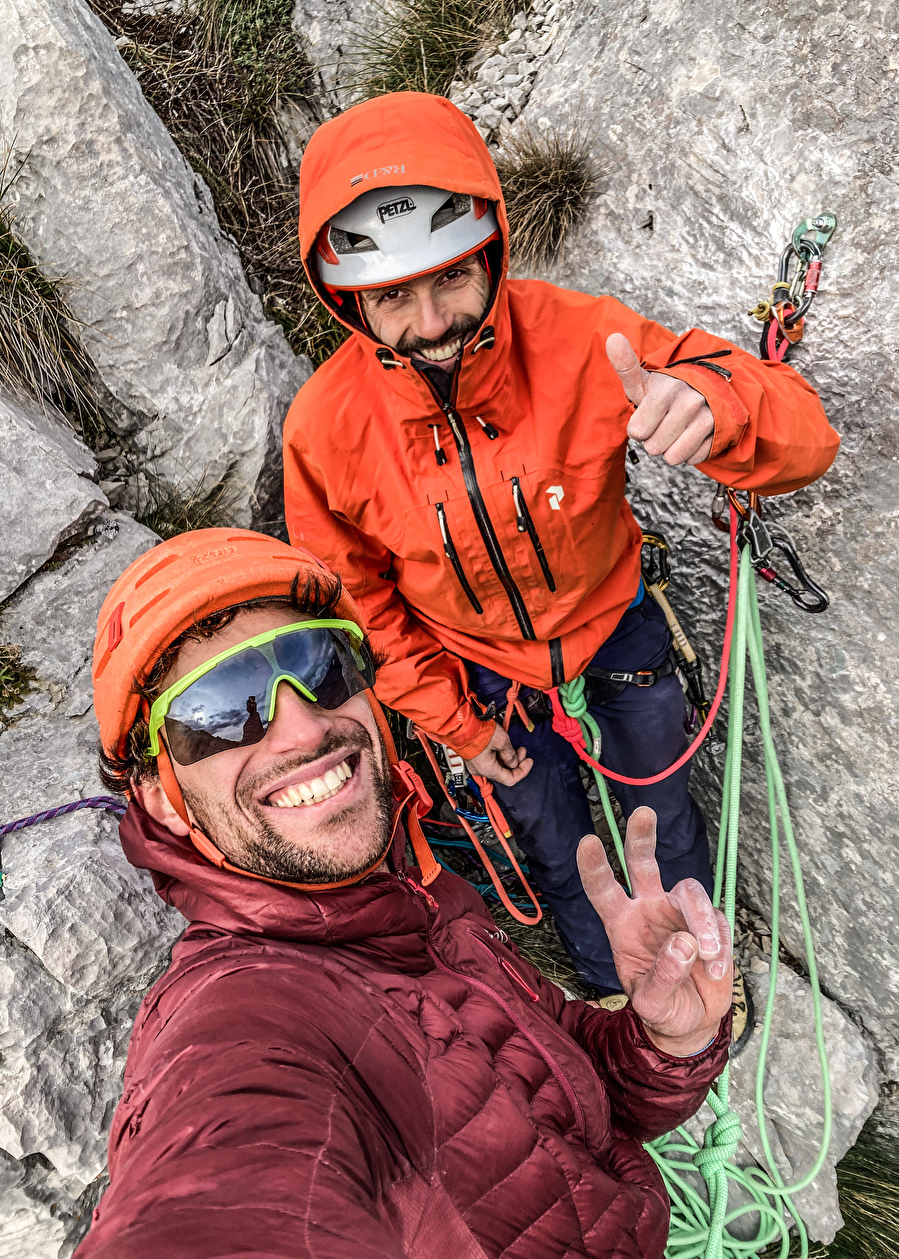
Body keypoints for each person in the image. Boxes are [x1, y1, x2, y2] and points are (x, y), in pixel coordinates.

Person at [282, 90, 840, 1005]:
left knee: (661, 807)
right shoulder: (326, 429)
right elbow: (358, 607)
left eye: (453, 278)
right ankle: (613, 995)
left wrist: (718, 408)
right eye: (391, 296)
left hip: (614, 628)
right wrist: (458, 725)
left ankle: (700, 972)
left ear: (493, 251)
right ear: (344, 298)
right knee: (554, 840)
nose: (429, 323)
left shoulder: (578, 339)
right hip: (481, 680)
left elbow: (801, 432)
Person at [79, 529, 733, 1259]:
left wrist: (665, 1042)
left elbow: (558, 1094)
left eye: (321, 666)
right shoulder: (242, 1017)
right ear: (161, 798)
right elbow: (227, 1183)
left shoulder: (420, 892)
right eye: (223, 709)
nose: (303, 727)